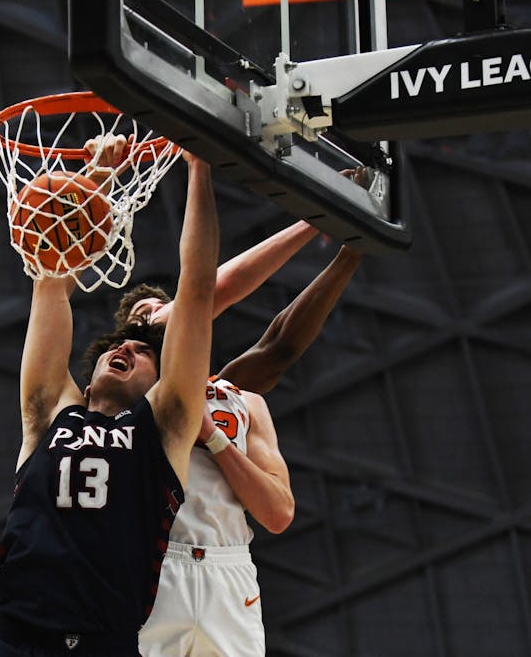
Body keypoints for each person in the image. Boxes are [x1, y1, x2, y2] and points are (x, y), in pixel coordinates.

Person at [0, 151, 219, 657]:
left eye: (143, 352)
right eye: (118, 346)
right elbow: (50, 278)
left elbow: (198, 291)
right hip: (15, 641)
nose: (126, 348)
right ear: (86, 383)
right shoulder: (50, 412)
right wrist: (96, 182)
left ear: (160, 386)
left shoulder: (164, 428)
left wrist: (199, 165)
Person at [116, 227, 362, 656]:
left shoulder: (235, 397)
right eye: (146, 317)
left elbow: (279, 347)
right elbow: (206, 293)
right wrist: (315, 220)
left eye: (161, 309)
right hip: (149, 561)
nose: (159, 317)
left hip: (227, 565)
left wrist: (353, 250)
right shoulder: (119, 391)